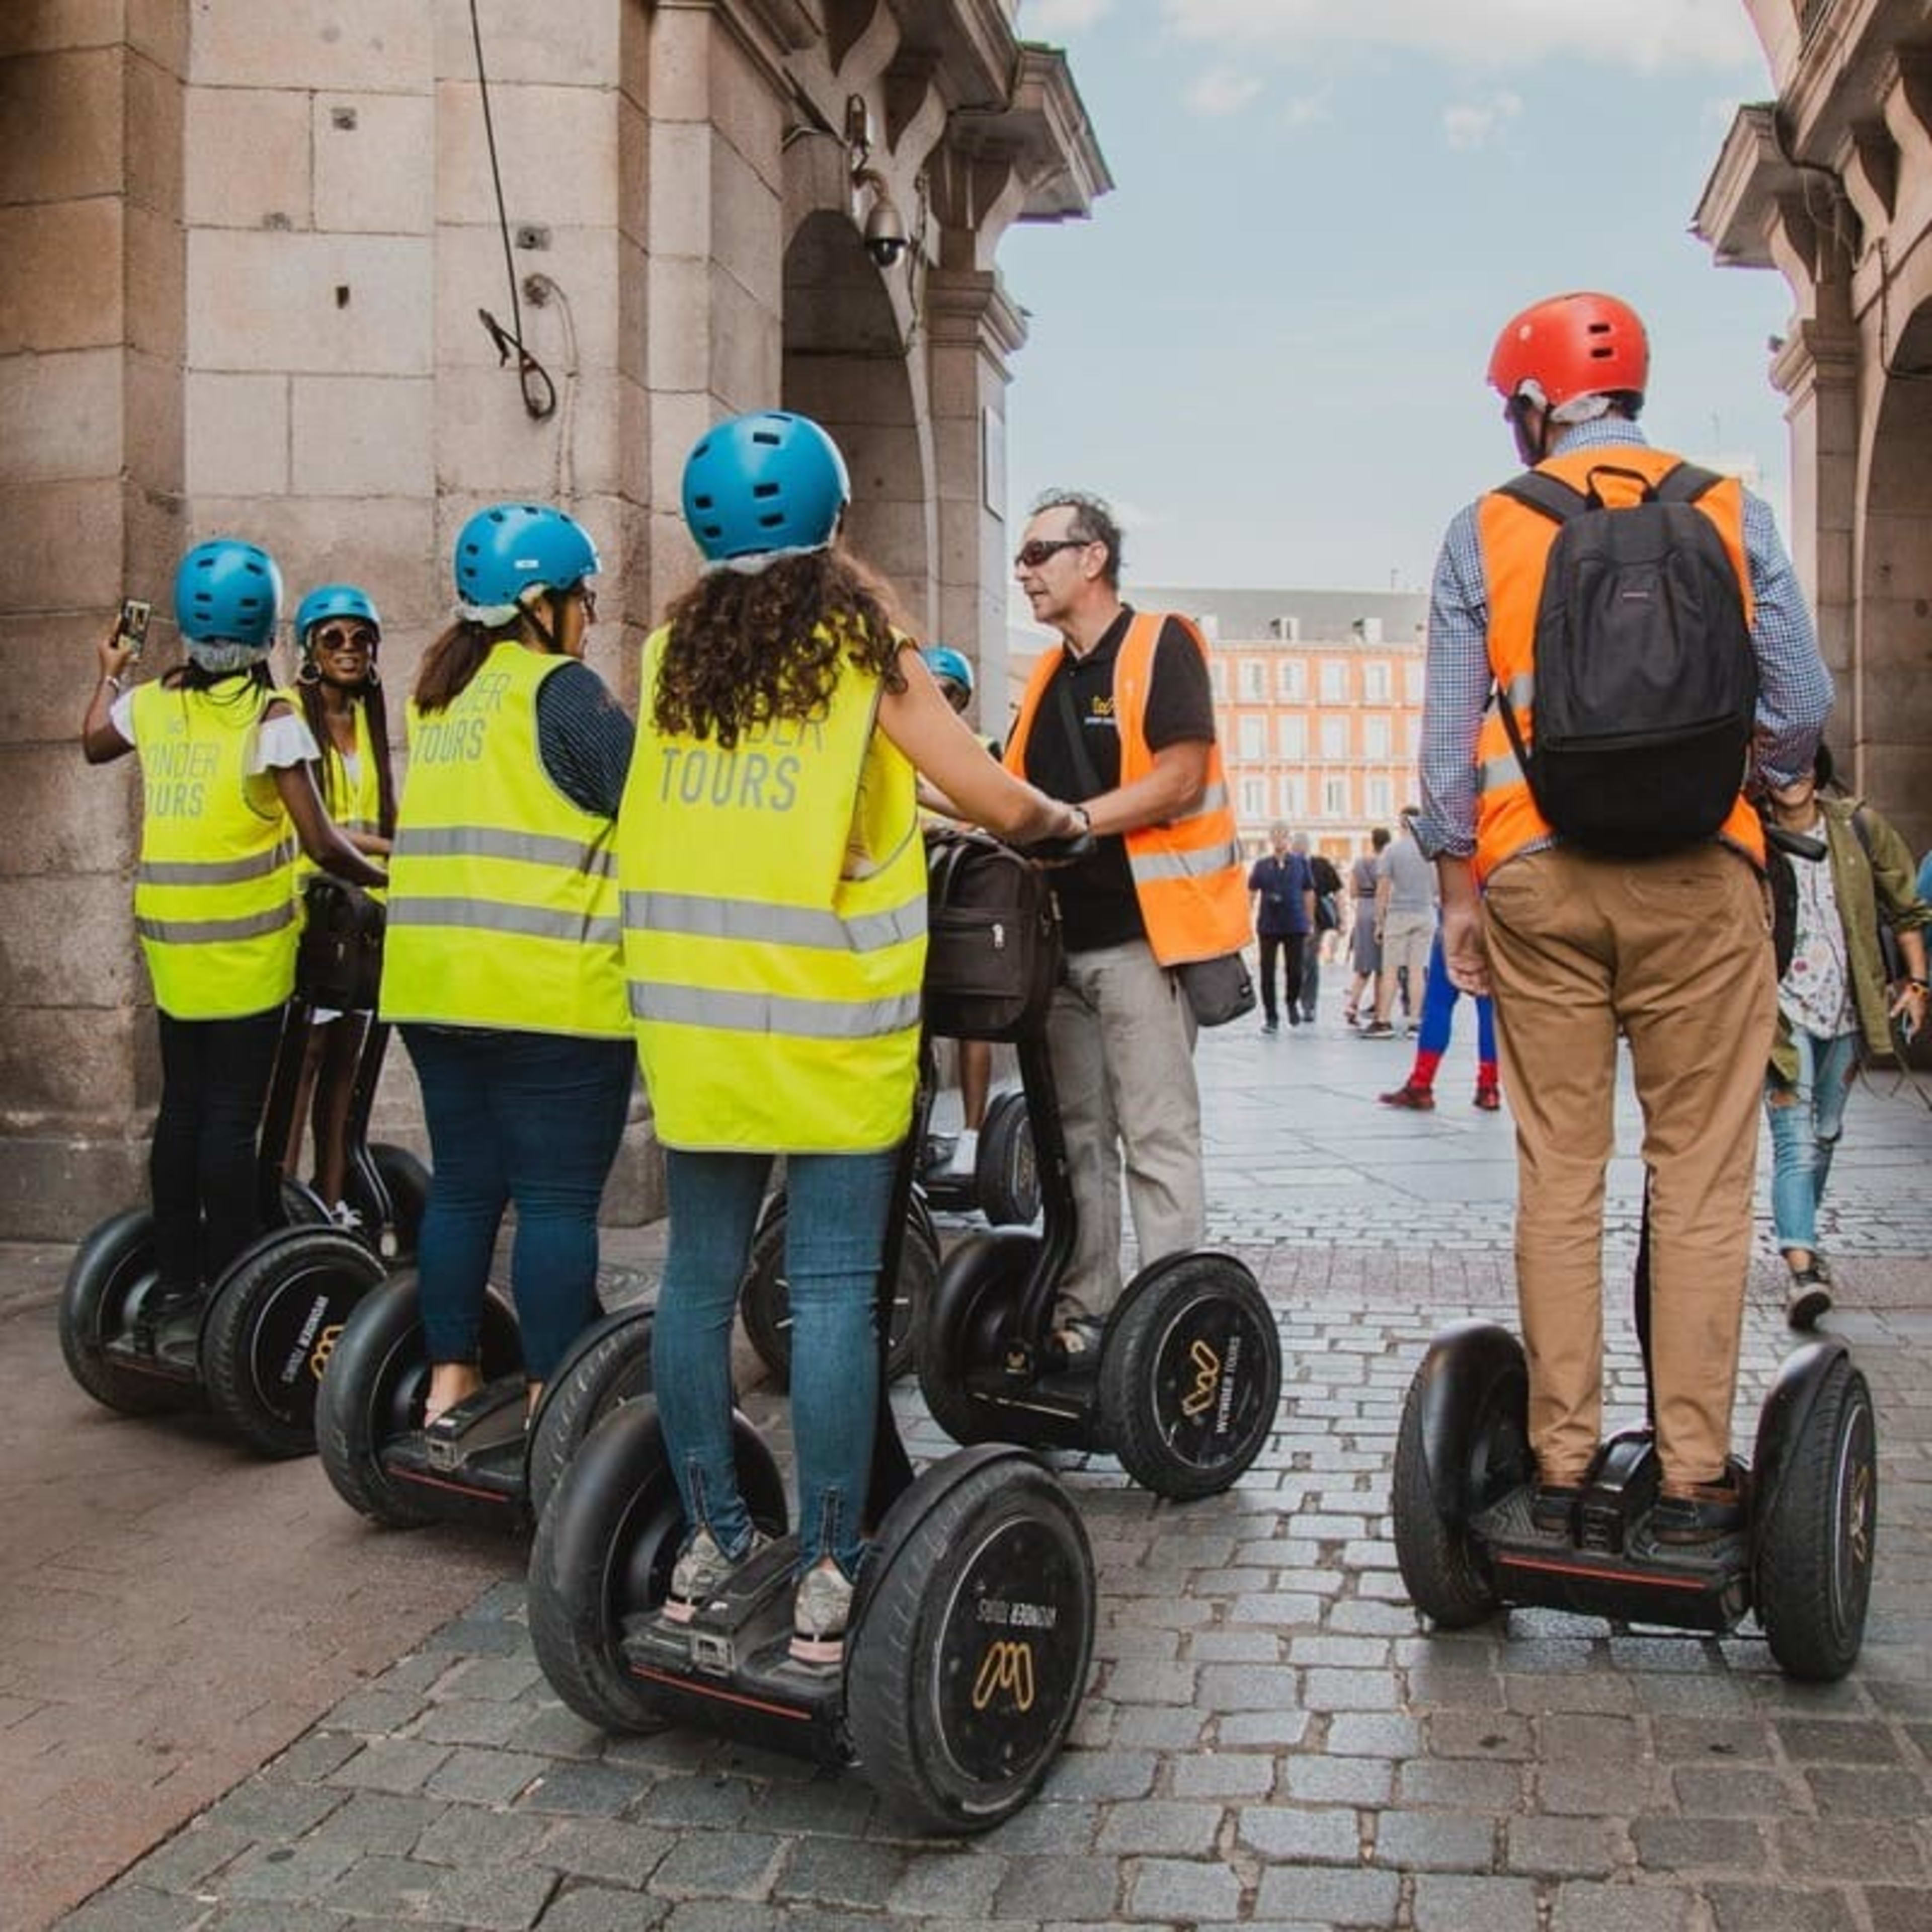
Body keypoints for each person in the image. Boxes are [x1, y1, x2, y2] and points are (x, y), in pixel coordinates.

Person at [620, 411, 1082, 1665]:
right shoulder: (859, 642)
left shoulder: (670, 653)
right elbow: (985, 788)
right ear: (831, 519)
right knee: (830, 1296)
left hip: (693, 1019)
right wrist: (1056, 821)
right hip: (823, 1022)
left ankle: (713, 1536)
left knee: (698, 1279)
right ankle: (829, 1563)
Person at [1419, 289, 1834, 1545]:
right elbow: (1800, 697)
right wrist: (1748, 782)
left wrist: (1456, 897)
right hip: (1700, 874)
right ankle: (1696, 1478)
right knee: (1700, 1181)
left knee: (1559, 1171)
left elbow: (1448, 749)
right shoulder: (1725, 506)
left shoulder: (1482, 527)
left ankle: (1555, 1469)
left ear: (1536, 405)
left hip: (1537, 875)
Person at [80, 539, 385, 1330]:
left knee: (182, 1111)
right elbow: (321, 842)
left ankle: (180, 1281)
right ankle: (235, 1283)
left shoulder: (153, 702)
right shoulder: (274, 718)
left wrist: (113, 666)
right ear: (269, 631)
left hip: (172, 953)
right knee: (230, 1122)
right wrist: (388, 878)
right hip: (248, 956)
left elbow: (91, 743)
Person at [378, 504, 636, 1424]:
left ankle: (448, 1388)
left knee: (463, 1189)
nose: (588, 616)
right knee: (559, 1206)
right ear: (540, 603)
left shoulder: (436, 697)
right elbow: (647, 811)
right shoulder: (563, 691)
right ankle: (548, 1404)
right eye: (582, 599)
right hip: (547, 998)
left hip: (433, 991)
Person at [1006, 489, 1249, 1353]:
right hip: (1059, 944)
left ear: (1094, 557)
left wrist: (1077, 821)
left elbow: (1181, 777)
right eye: (1022, 558)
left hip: (1146, 941)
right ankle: (1086, 1314)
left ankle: (1170, 1328)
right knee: (1076, 1143)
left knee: (1155, 1136)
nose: (1023, 572)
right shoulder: (1044, 674)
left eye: (1039, 554)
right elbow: (1015, 792)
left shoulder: (1160, 645)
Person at [1761, 745, 1928, 1328]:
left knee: (1826, 1133)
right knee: (1795, 1141)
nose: (1793, 776)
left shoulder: (1858, 827)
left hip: (1849, 1013)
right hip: (1781, 1017)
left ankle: (1804, 1237)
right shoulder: (1749, 836)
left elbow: (1907, 909)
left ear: (1820, 770)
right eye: (1780, 765)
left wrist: (1917, 982)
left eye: (1803, 763)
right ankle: (1802, 1268)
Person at [283, 584, 398, 1224]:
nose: (349, 651)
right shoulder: (293, 723)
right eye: (334, 639)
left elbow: (385, 807)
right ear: (310, 650)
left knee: (348, 1066)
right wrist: (391, 852)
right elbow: (318, 826)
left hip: (365, 913)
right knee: (307, 1061)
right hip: (317, 912)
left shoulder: (367, 723)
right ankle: (285, 1199)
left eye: (361, 639)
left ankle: (330, 1202)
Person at [917, 643, 997, 1181]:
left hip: (965, 900)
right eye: (934, 692)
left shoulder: (982, 748)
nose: (943, 702)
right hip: (912, 901)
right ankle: (916, 1136)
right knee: (913, 1032)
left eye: (951, 694)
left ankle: (972, 1136)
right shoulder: (902, 747)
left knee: (974, 1025)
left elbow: (993, 814)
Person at [1380, 922, 1500, 1111]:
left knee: (1439, 1002)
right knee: (1489, 1008)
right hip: (1497, 929)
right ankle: (1489, 1088)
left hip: (1458, 927)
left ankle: (1421, 1084)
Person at [1366, 808, 1433, 1037]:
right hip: (1425, 913)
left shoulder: (1391, 851)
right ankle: (1415, 1022)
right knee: (1417, 970)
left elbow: (1383, 889)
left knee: (1391, 970)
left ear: (1403, 824)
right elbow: (1438, 887)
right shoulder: (1431, 851)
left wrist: (1379, 921)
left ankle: (1384, 1021)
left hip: (1399, 914)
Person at [1247, 823, 1314, 1033]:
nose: (1279, 840)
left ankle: (1292, 1002)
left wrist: (1310, 919)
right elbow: (1251, 892)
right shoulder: (1262, 865)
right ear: (1270, 839)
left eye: (1283, 836)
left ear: (1289, 839)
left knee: (1295, 971)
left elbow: (1308, 892)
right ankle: (1271, 1017)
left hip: (1295, 923)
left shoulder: (1300, 863)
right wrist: (1246, 918)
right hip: (1269, 924)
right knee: (1267, 973)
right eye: (1275, 836)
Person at [1342, 828, 1388, 1027]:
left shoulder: (1359, 863)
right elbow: (1386, 891)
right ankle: (1379, 1008)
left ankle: (1353, 1004)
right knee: (1381, 967)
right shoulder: (1386, 863)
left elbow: (1352, 891)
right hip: (1380, 912)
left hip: (1362, 911)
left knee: (1364, 964)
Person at [1298, 833, 1343, 1024]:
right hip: (1301, 921)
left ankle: (1307, 1004)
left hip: (1312, 920)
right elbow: (1339, 891)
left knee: (1308, 961)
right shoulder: (1319, 864)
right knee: (1306, 962)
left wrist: (1342, 917)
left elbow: (1338, 891)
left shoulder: (1317, 865)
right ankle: (1307, 1003)